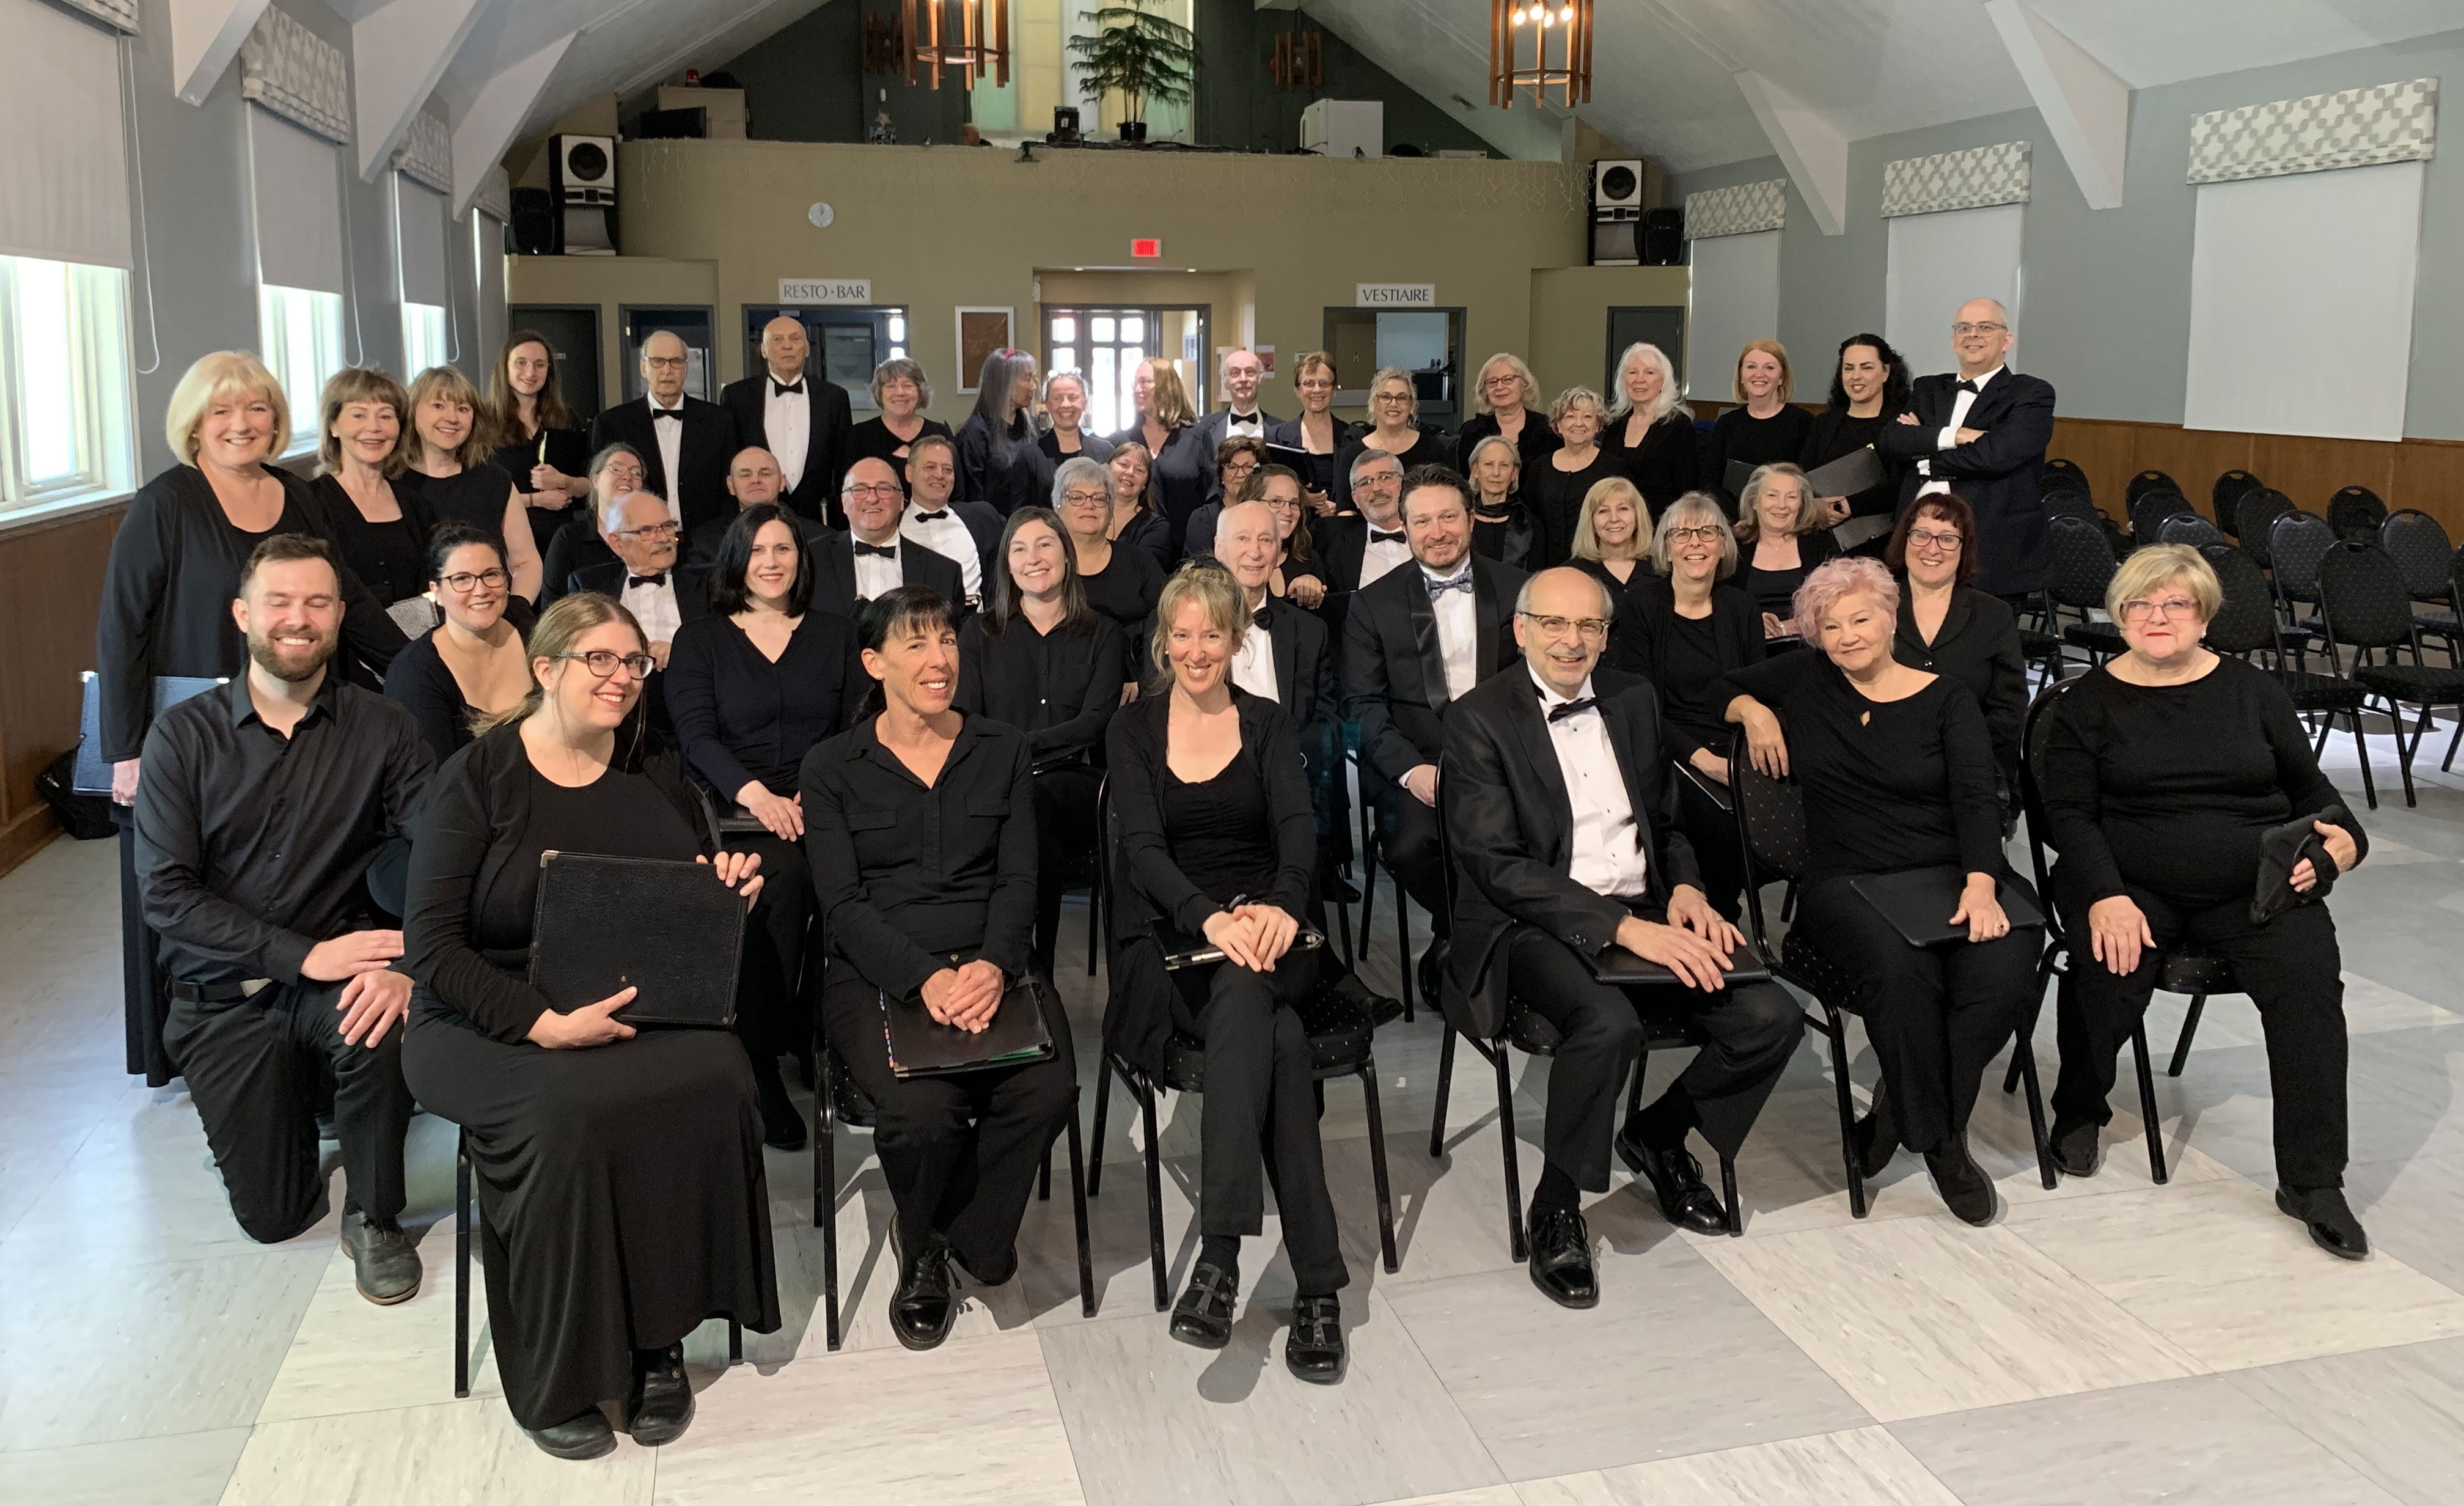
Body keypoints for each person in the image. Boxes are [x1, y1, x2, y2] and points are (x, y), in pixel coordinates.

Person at [402, 593, 780, 1459]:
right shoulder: (477, 779)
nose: (620, 680)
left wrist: (728, 894)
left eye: (634, 664)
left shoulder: (655, 771)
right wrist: (539, 1023)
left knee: (718, 1075)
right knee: (567, 1119)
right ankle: (556, 1372)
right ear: (546, 670)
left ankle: (659, 1341)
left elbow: (681, 908)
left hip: (623, 1001)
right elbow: (432, 947)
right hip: (482, 1015)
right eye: (598, 661)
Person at [1446, 566, 1803, 1304]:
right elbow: (1497, 866)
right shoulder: (1478, 718)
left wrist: (1691, 893)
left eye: (1588, 627)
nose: (1572, 641)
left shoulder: (1635, 699)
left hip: (1647, 904)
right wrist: (1624, 928)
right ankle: (1557, 1204)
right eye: (1554, 624)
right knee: (1607, 1028)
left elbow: (1666, 823)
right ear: (1521, 629)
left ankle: (1660, 1135)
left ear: (1607, 635)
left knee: (1772, 1017)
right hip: (1536, 921)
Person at [2039, 545, 2368, 1257]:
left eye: (2174, 604)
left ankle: (2313, 1180)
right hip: (2129, 880)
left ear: (2204, 614)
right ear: (2118, 615)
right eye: (2139, 605)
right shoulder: (2086, 702)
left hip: (2250, 884)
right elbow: (2069, 815)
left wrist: (2345, 841)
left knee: (2309, 984)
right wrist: (2105, 895)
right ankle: (2078, 1111)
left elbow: (2316, 796)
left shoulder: (2255, 691)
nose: (2156, 617)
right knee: (2112, 962)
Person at [98, 351, 408, 1087]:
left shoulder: (297, 495)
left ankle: (300, 1033)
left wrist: (420, 666)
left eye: (257, 408)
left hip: (292, 722)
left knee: (285, 874)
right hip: (188, 734)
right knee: (189, 886)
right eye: (222, 411)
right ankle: (196, 1054)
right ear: (195, 425)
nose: (242, 424)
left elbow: (347, 596)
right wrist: (127, 747)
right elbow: (122, 625)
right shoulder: (166, 501)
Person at [136, 534, 431, 1296]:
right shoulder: (182, 736)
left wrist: (406, 964)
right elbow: (166, 894)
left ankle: (375, 1213)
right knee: (274, 1215)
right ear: (242, 613)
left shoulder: (385, 726)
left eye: (316, 602)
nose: (297, 619)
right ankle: (292, 1113)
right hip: (224, 993)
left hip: (336, 978)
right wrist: (300, 955)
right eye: (279, 601)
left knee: (376, 1020)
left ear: (338, 616)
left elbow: (440, 849)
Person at [1717, 557, 2041, 1225]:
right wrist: (1753, 709)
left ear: (1891, 618)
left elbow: (1979, 797)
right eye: (1829, 625)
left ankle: (1894, 1113)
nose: (1847, 635)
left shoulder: (1948, 696)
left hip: (1954, 871)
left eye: (1860, 618)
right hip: (1848, 882)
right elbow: (1712, 689)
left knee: (2005, 969)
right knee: (1904, 972)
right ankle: (1942, 1143)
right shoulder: (1807, 680)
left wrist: (1983, 884)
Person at [801, 586, 1080, 1351]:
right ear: (874, 662)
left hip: (990, 956)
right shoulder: (831, 765)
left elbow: (1019, 879)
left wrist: (993, 964)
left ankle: (966, 1235)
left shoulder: (1001, 746)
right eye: (917, 644)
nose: (939, 659)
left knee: (1047, 1086)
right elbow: (843, 904)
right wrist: (925, 978)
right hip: (879, 971)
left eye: (947, 642)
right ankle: (921, 1248)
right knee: (922, 1113)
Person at [1104, 566, 1349, 1383]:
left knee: (1252, 991)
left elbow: (1296, 833)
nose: (1198, 648)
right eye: (1184, 633)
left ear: (1237, 640)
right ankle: (1318, 1286)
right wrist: (1211, 918)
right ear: (1164, 641)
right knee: (1273, 1035)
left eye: (1214, 632)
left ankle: (1218, 1258)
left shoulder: (1271, 724)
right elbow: (1141, 853)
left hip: (1277, 934)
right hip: (1176, 942)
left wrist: (1280, 908)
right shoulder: (1134, 729)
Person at [667, 502, 866, 1147]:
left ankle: (823, 1034)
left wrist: (813, 792)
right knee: (782, 885)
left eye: (785, 549)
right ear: (736, 561)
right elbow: (696, 737)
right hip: (734, 813)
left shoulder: (837, 633)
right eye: (758, 551)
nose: (773, 562)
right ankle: (760, 1057)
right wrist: (760, 796)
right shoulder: (701, 638)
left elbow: (850, 726)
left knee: (857, 884)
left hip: (824, 800)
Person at [1343, 467, 1528, 999]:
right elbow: (1362, 707)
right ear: (1405, 528)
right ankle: (1471, 931)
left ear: (1471, 519)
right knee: (1407, 847)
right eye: (1422, 521)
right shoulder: (1371, 604)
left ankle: (1475, 943)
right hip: (1419, 763)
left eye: (1449, 516)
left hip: (1510, 761)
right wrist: (1411, 772)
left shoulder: (1518, 589)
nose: (1438, 531)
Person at [956, 507, 1124, 975]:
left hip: (1077, 783)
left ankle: (1037, 967)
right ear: (1007, 565)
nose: (1034, 557)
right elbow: (967, 717)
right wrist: (1010, 758)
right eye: (1020, 548)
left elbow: (1097, 720)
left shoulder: (1103, 633)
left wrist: (1020, 746)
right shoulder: (980, 632)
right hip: (998, 779)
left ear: (1067, 557)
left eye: (1046, 545)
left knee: (1036, 803)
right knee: (1024, 806)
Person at [1617, 495, 1765, 917]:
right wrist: (1703, 760)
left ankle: (1723, 921)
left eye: (1707, 532)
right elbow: (1642, 705)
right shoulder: (1642, 607)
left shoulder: (1742, 608)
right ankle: (1711, 919)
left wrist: (1736, 755)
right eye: (1681, 533)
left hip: (1735, 747)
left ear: (1723, 546)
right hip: (1667, 747)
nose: (1694, 543)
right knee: (1712, 820)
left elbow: (1758, 691)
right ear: (1666, 548)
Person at [1877, 298, 2055, 598]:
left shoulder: (2031, 393)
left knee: (1983, 642)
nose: (1973, 335)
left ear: (2006, 340)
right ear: (1953, 340)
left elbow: (1996, 456)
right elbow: (1892, 442)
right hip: (1916, 544)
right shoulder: (1927, 388)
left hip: (1992, 550)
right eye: (1964, 328)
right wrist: (1956, 435)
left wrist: (1925, 456)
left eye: (1985, 327)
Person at [1887, 495, 2026, 799]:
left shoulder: (1994, 615)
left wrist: (1956, 751)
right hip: (1886, 768)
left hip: (1971, 773)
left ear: (1964, 549)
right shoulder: (1874, 606)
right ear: (1905, 539)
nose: (1932, 548)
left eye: (1948, 539)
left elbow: (2009, 709)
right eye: (1922, 535)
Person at [384, 525, 533, 764]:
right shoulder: (414, 674)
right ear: (437, 592)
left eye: (491, 574)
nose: (481, 590)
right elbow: (436, 782)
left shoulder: (533, 629)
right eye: (462, 579)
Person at [570, 490, 712, 732]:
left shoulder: (709, 582)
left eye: (667, 526)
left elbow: (728, 647)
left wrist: (681, 652)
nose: (663, 538)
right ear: (617, 543)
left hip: (694, 702)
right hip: (621, 710)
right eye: (647, 531)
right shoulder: (589, 585)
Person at [399, 365, 543, 602]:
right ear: (413, 411)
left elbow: (526, 561)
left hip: (490, 616)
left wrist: (516, 613)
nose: (452, 418)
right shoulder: (392, 484)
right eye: (438, 406)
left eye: (463, 409)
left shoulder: (494, 480)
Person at [311, 367, 438, 626]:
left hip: (413, 648)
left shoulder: (418, 506)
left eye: (386, 416)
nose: (374, 427)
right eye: (358, 415)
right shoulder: (310, 503)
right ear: (333, 425)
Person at [588, 330, 741, 537]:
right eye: (658, 362)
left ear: (686, 368)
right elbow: (601, 493)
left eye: (676, 362)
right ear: (643, 367)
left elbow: (729, 488)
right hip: (638, 538)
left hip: (707, 541)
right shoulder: (612, 423)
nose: (667, 370)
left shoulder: (719, 420)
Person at [720, 315, 853, 526]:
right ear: (763, 350)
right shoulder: (737, 396)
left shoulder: (834, 397)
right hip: (755, 520)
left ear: (807, 349)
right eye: (778, 340)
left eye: (795, 339)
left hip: (821, 521)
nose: (788, 346)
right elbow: (730, 461)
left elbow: (844, 464)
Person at [1055, 455, 1164, 697]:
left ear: (1110, 508)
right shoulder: (1044, 567)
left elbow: (1167, 623)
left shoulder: (1140, 562)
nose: (1089, 505)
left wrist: (1142, 680)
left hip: (1133, 694)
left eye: (1099, 498)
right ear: (1058, 507)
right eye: (1077, 497)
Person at [813, 456, 967, 619]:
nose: (872, 499)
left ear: (901, 501)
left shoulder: (944, 574)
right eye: (859, 489)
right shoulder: (810, 560)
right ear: (844, 502)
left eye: (884, 489)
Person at [1802, 332, 1911, 551]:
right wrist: (1813, 506)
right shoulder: (1824, 423)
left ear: (1886, 372)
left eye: (1867, 367)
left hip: (1884, 545)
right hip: (1824, 542)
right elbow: (1802, 475)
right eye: (1849, 368)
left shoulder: (1902, 423)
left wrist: (1849, 506)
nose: (1856, 376)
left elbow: (1904, 485)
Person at [486, 329, 594, 532]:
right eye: (521, 362)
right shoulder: (484, 421)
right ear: (505, 367)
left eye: (540, 365)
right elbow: (481, 494)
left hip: (561, 537)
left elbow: (592, 484)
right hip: (506, 535)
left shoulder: (567, 418)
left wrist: (565, 481)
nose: (530, 373)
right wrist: (536, 500)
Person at [1699, 341, 1814, 513]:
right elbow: (1709, 481)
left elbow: (1807, 483)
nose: (1759, 374)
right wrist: (1739, 518)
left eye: (1769, 368)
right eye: (1751, 367)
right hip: (1735, 523)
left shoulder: (1804, 423)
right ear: (1741, 376)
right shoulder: (1727, 423)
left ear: (1782, 377)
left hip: (1785, 519)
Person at [1109, 360, 1208, 551]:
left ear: (1167, 386)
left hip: (1188, 553)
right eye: (1135, 383)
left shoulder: (1196, 438)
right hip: (1136, 552)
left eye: (1145, 382)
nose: (1138, 389)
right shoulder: (1122, 441)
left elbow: (1211, 498)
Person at [1737, 462, 1840, 643]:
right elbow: (1721, 605)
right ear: (1754, 502)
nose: (1782, 505)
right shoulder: (1737, 547)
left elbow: (1839, 601)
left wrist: (1787, 628)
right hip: (1750, 646)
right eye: (1772, 496)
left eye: (1791, 497)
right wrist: (1751, 622)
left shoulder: (1820, 542)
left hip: (1809, 645)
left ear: (1801, 504)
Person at [1524, 388, 1622, 571]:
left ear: (1598, 426)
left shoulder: (1614, 467)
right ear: (1559, 425)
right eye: (1570, 417)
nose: (1579, 424)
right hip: (1546, 567)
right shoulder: (1539, 467)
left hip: (1597, 566)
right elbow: (1530, 519)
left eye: (1587, 417)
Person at [1332, 365, 1452, 513]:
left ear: (1412, 406)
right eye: (1385, 397)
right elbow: (1346, 510)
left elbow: (1450, 499)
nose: (1393, 404)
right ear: (1373, 404)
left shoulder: (1433, 450)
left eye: (1401, 398)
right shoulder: (1352, 454)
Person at [685, 446, 830, 567]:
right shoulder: (704, 542)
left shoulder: (821, 539)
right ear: (731, 485)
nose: (755, 480)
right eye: (745, 475)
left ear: (782, 482)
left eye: (765, 474)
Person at [538, 443, 644, 607]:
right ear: (595, 480)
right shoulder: (569, 538)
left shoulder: (650, 537)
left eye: (636, 473)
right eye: (616, 469)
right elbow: (552, 608)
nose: (628, 477)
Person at [901, 432, 1002, 601]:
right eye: (930, 467)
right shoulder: (892, 528)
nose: (940, 475)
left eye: (947, 469)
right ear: (909, 473)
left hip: (976, 624)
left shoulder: (983, 518)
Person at [956, 347, 1051, 517]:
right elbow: (973, 500)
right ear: (1004, 383)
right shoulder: (975, 434)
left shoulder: (1032, 428)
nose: (1034, 387)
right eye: (1027, 379)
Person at [1605, 342, 1698, 517]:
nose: (1639, 379)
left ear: (1664, 381)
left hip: (1661, 524)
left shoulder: (1678, 425)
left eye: (1649, 372)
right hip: (1618, 523)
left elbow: (1687, 489)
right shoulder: (1614, 425)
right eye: (1633, 372)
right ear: (1623, 380)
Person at [1264, 351, 1358, 516]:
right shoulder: (1276, 438)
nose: (1317, 390)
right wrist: (1300, 498)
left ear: (1334, 389)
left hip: (1341, 533)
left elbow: (1364, 491)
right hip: (1293, 534)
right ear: (1297, 390)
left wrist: (1339, 508)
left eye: (1324, 383)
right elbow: (1266, 492)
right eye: (1309, 383)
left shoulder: (1356, 438)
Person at [1566, 476, 1651, 639]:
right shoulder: (1572, 575)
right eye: (1603, 511)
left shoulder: (1661, 571)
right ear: (1591, 521)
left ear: (1638, 516)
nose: (1614, 519)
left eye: (1623, 509)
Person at [1455, 352, 1559, 479]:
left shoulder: (1547, 429)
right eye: (1492, 382)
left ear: (1524, 384)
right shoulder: (1473, 432)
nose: (1499, 387)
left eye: (1508, 380)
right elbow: (1464, 480)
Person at [845, 356, 955, 474]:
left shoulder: (941, 434)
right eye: (891, 386)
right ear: (879, 393)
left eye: (908, 386)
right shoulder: (859, 436)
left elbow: (957, 487)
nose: (900, 393)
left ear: (920, 392)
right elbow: (846, 487)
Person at [1246, 465, 1329, 611]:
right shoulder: (1234, 562)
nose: (1288, 511)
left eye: (1294, 503)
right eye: (1276, 501)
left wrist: (1313, 588)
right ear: (1252, 503)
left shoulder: (1309, 561)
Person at [1187, 347, 1283, 461]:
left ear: (1260, 379)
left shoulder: (1281, 431)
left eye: (1250, 372)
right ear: (1225, 382)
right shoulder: (1204, 427)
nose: (1243, 379)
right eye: (1235, 373)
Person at [1181, 435, 1267, 558]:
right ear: (1222, 476)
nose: (1240, 474)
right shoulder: (1204, 519)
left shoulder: (1270, 513)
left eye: (1248, 466)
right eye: (1232, 467)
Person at [1464, 435, 1538, 572]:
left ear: (1514, 473)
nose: (1496, 473)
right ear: (1475, 470)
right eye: (1489, 464)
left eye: (1504, 466)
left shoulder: (1530, 522)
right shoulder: (1461, 518)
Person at [1105, 441, 1174, 571]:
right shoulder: (1087, 513)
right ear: (1107, 468)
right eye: (1124, 464)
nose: (1130, 473)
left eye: (1139, 470)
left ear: (1145, 484)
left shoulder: (1157, 527)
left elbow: (1139, 573)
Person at [1035, 370, 1113, 468]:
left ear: (1085, 403)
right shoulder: (1031, 455)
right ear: (1048, 405)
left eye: (1073, 397)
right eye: (1057, 398)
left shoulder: (1105, 452)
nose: (1065, 405)